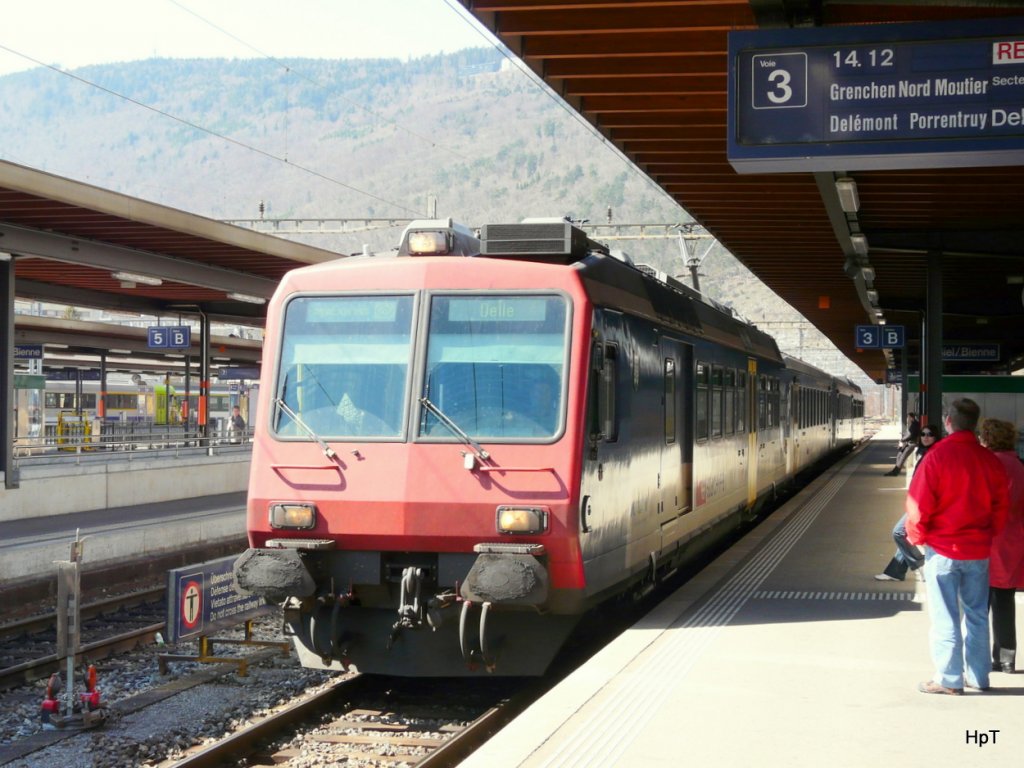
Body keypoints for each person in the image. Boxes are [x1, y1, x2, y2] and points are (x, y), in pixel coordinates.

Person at [906, 398, 1008, 695]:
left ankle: (949, 678)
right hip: (978, 551)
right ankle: (979, 677)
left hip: (943, 549)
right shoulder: (990, 460)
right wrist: (989, 534)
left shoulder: (937, 456)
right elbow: (1001, 507)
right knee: (977, 614)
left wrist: (917, 537)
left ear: (948, 421)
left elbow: (918, 504)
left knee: (945, 615)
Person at [979, 418, 1024, 674]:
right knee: (1004, 602)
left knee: (978, 606)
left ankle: (979, 657)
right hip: (1013, 542)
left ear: (988, 439)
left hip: (988, 542)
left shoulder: (990, 464)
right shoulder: (1018, 465)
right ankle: (1006, 659)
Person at [874, 425, 940, 582]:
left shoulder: (934, 455)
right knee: (906, 536)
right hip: (919, 501)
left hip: (924, 503)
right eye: (923, 434)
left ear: (936, 437)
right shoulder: (923, 452)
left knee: (899, 532)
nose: (926, 437)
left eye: (930, 434)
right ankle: (895, 571)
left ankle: (920, 564)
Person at [883, 412, 920, 476]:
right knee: (900, 455)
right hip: (909, 443)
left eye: (908, 417)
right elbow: (909, 434)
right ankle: (895, 470)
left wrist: (902, 440)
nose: (907, 419)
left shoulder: (915, 425)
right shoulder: (914, 424)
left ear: (911, 417)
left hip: (912, 444)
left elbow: (910, 435)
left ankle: (895, 472)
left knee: (903, 457)